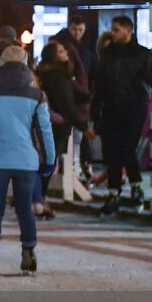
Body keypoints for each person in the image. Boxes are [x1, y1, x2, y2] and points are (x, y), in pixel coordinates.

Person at [0, 45, 54, 275]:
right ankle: (28, 253)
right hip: (25, 160)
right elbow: (44, 130)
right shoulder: (37, 95)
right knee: (24, 208)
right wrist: (49, 159)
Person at [90, 15, 152, 212]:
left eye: (117, 29)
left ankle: (135, 187)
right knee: (112, 150)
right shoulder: (107, 56)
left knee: (127, 147)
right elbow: (99, 87)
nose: (113, 33)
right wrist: (96, 112)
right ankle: (114, 193)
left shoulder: (141, 55)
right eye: (113, 29)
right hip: (111, 108)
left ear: (129, 30)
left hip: (134, 107)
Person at [35, 41, 92, 214]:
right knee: (48, 163)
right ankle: (38, 199)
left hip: (40, 122)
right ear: (53, 56)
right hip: (57, 124)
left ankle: (35, 198)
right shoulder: (60, 76)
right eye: (60, 51)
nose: (65, 52)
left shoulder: (41, 74)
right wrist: (83, 125)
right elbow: (66, 105)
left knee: (39, 162)